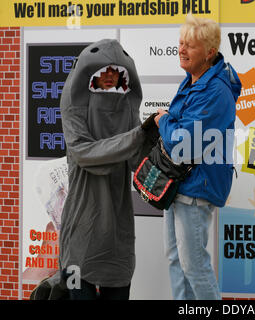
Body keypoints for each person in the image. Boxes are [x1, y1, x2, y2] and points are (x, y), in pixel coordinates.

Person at [59, 39, 156, 300]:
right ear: (90, 76)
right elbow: (83, 153)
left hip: (118, 235)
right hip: (81, 236)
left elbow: (139, 161)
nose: (111, 75)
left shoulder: (127, 113)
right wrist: (136, 136)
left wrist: (155, 137)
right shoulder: (75, 112)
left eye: (116, 70)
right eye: (104, 70)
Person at [154, 14, 242, 300]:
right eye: (181, 43)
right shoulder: (192, 81)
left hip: (196, 188)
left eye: (190, 45)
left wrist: (163, 122)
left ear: (209, 53)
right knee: (177, 262)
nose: (181, 49)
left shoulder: (215, 90)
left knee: (195, 267)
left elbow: (184, 144)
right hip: (179, 185)